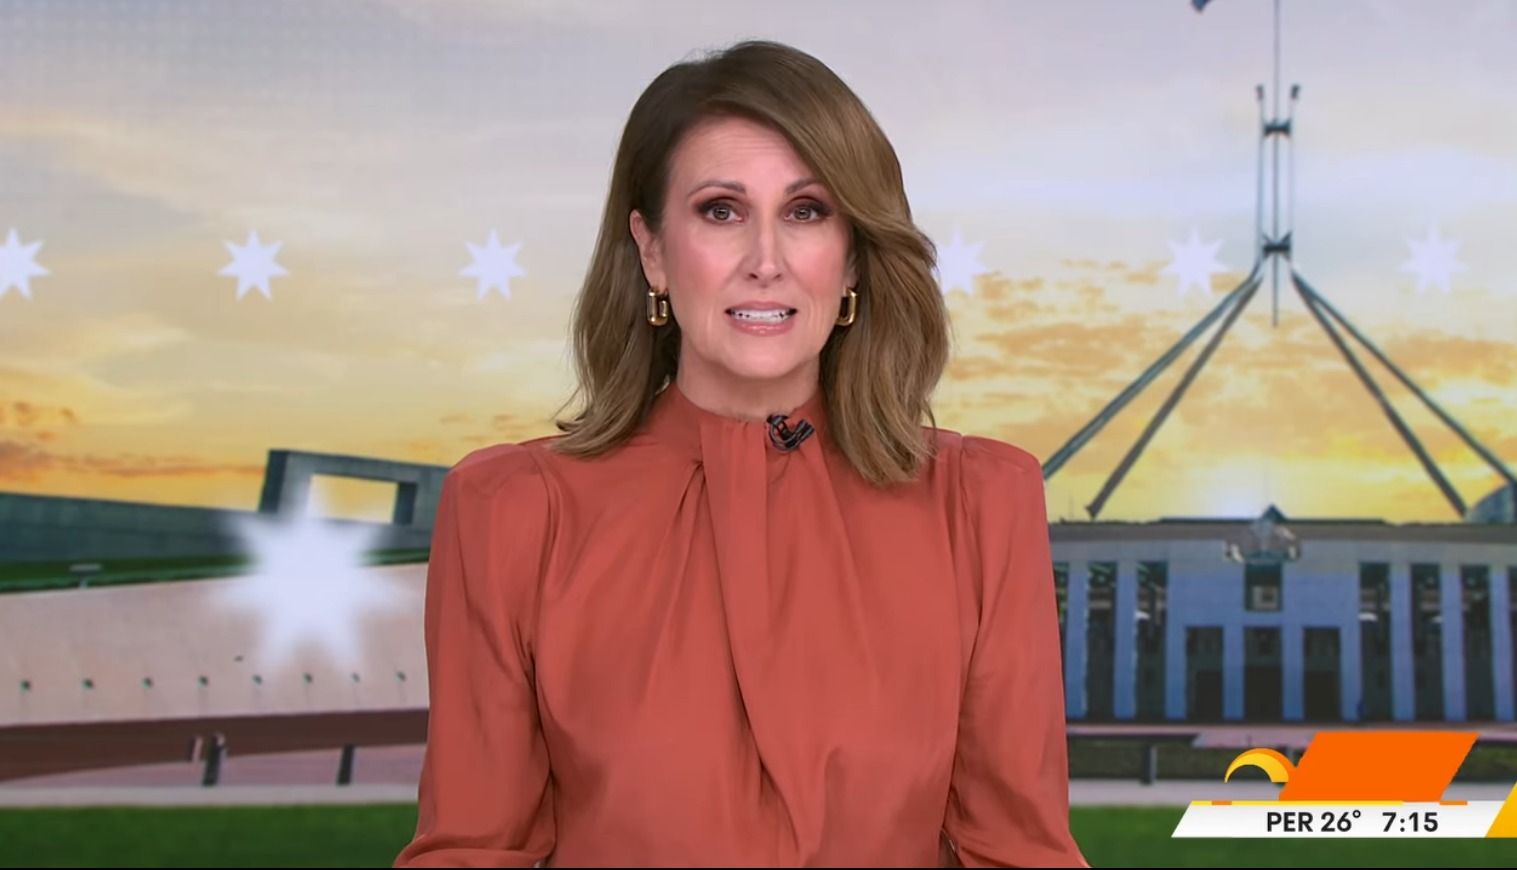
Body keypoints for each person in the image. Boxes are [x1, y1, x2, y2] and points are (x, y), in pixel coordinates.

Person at [393, 39, 1087, 868]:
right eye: (721, 211)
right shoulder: (513, 509)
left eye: (806, 212)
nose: (765, 262)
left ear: (853, 255)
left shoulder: (979, 503)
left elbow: (1016, 851)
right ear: (651, 249)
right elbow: (473, 850)